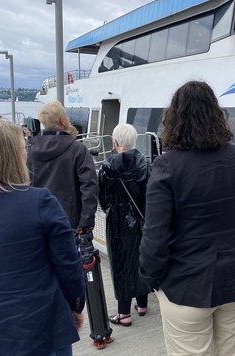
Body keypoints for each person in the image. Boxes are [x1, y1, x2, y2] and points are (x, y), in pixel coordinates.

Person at [139, 80, 235, 356]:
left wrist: (152, 279)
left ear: (175, 119)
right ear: (217, 115)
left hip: (186, 285)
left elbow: (155, 234)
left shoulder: (167, 165)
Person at [0, 118, 85, 356]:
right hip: (36, 329)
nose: (26, 154)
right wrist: (76, 305)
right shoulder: (39, 201)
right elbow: (68, 264)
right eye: (23, 148)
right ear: (10, 156)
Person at [99, 123, 151, 327]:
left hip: (117, 222)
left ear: (116, 142)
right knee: (140, 260)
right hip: (141, 222)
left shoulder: (107, 167)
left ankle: (123, 314)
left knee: (121, 264)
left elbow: (102, 200)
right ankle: (142, 304)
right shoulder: (145, 164)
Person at [27, 101, 98, 230]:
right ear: (63, 121)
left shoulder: (30, 150)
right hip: (70, 220)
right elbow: (89, 186)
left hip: (37, 218)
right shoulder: (78, 149)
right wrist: (86, 222)